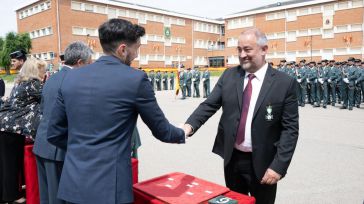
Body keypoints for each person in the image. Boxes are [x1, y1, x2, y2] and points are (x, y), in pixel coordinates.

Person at [46, 18, 186, 204]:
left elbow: (54, 133)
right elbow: (162, 131)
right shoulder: (135, 79)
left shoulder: (71, 78)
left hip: (73, 185)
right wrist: (184, 131)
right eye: (136, 48)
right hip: (110, 189)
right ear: (122, 49)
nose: (136, 55)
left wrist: (81, 149)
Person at [183, 28, 299, 204]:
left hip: (264, 164)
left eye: (247, 49)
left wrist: (278, 166)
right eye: (239, 49)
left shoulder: (284, 83)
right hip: (233, 160)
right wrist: (188, 126)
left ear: (264, 50)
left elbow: (290, 130)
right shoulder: (230, 75)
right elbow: (209, 105)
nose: (242, 54)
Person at [33, 41, 93, 204]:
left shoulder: (52, 78)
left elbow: (44, 109)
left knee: (46, 195)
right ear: (80, 62)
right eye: (89, 63)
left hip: (42, 144)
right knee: (60, 197)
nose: (91, 67)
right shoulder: (75, 81)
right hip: (58, 148)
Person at [0, 58, 45, 204]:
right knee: (11, 165)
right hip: (12, 128)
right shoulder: (34, 84)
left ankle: (5, 194)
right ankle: (13, 196)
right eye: (42, 69)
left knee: (6, 164)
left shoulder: (20, 83)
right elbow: (49, 96)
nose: (43, 72)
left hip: (5, 126)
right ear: (35, 70)